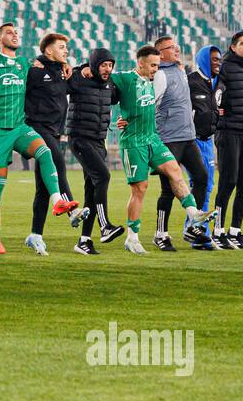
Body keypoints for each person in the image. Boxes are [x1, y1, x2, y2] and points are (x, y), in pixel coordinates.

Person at [89, 46, 212, 254]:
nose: (156, 69)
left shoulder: (152, 80)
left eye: (158, 65)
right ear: (141, 63)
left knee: (174, 169)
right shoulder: (126, 79)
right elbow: (103, 77)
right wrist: (84, 69)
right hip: (134, 142)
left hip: (152, 138)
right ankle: (132, 237)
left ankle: (193, 213)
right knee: (140, 189)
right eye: (153, 65)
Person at [0, 22, 77, 254]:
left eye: (16, 32)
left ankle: (58, 201)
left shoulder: (26, 64)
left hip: (20, 126)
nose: (14, 35)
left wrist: (65, 63)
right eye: (9, 33)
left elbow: (47, 67)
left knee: (45, 152)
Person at [23, 33, 86, 256]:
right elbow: (17, 88)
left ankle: (35, 236)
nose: (66, 51)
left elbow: (83, 74)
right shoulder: (35, 70)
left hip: (55, 131)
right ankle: (71, 210)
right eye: (61, 47)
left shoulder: (62, 72)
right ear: (48, 50)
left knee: (43, 189)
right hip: (36, 127)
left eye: (66, 48)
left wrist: (73, 67)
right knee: (57, 161)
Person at [149, 35, 211, 252]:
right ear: (161, 53)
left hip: (187, 137)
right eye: (171, 47)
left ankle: (193, 226)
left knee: (202, 177)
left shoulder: (180, 70)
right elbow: (151, 106)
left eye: (176, 46)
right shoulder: (160, 75)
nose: (176, 49)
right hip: (168, 139)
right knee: (168, 190)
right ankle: (160, 234)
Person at [67, 48, 123, 254]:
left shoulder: (110, 85)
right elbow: (66, 82)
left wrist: (123, 119)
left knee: (91, 190)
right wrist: (80, 70)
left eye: (110, 65)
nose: (107, 69)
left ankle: (84, 240)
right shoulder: (80, 78)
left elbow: (120, 98)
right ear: (94, 65)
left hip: (100, 140)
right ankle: (105, 225)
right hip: (80, 139)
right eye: (103, 65)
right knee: (103, 176)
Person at [212, 31, 243, 249]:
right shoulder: (225, 68)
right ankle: (218, 230)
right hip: (229, 132)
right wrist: (219, 118)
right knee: (227, 182)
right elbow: (217, 98)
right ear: (233, 47)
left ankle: (235, 231)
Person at [188, 46, 221, 217]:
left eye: (219, 59)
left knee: (207, 185)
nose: (218, 63)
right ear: (203, 60)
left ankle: (198, 229)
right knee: (198, 182)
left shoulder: (218, 82)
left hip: (208, 140)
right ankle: (194, 228)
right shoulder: (190, 81)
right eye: (214, 59)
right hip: (192, 140)